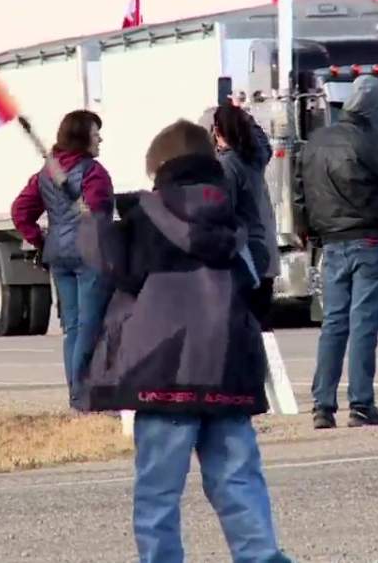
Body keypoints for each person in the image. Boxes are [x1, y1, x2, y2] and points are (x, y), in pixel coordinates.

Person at [78, 120, 292, 563]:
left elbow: (112, 266)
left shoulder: (145, 218)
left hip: (162, 371)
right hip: (226, 368)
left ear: (159, 170)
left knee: (158, 493)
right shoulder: (229, 216)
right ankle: (262, 555)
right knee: (238, 480)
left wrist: (92, 219)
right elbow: (254, 281)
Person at [295, 74, 378, 430]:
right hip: (370, 240)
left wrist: (309, 231)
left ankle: (322, 405)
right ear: (375, 106)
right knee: (364, 324)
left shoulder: (316, 141)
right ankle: (362, 404)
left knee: (334, 323)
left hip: (331, 243)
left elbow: (300, 190)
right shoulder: (373, 141)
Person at [11, 109, 114, 409]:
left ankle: (76, 396)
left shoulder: (46, 173)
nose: (100, 139)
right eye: (96, 135)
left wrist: (41, 240)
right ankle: (84, 398)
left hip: (59, 256)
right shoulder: (93, 172)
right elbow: (97, 213)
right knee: (89, 326)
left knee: (72, 328)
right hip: (89, 254)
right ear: (83, 139)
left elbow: (20, 211)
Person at [210, 102, 280, 321]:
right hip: (263, 251)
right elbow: (263, 144)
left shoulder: (227, 165)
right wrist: (246, 117)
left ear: (217, 131)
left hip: (242, 254)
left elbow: (222, 210)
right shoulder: (255, 159)